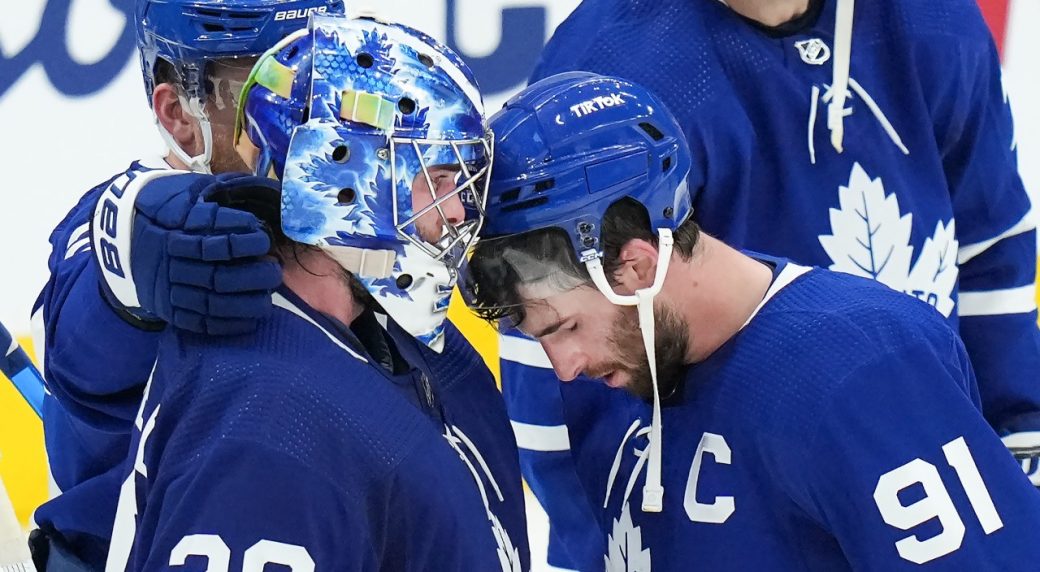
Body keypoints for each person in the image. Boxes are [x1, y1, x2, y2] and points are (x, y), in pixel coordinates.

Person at [501, 0, 1040, 568]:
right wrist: (608, 551)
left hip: (895, 413)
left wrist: (1017, 443)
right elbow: (554, 339)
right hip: (703, 477)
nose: (560, 358)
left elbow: (990, 245)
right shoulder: (615, 64)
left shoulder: (933, 21)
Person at [106, 14, 528, 571]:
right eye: (435, 178)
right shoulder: (266, 423)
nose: (454, 211)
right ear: (339, 176)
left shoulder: (419, 349)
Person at [29, 1, 344, 568]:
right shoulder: (113, 226)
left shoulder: (353, 225)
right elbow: (78, 340)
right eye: (265, 93)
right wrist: (134, 261)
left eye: (322, 83)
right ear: (177, 112)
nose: (308, 120)